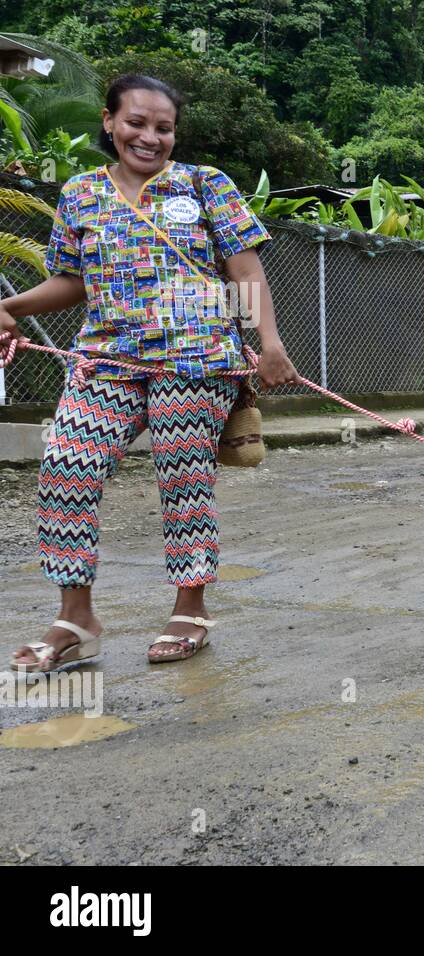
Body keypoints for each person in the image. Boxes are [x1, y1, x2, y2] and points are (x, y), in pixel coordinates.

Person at [5, 74, 298, 674]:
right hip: (106, 358)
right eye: (136, 123)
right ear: (109, 122)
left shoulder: (205, 184)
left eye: (163, 127)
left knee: (182, 479)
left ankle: (189, 609)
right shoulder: (81, 193)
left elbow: (243, 271)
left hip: (197, 358)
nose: (150, 137)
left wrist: (268, 343)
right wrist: (10, 308)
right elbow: (72, 282)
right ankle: (75, 618)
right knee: (65, 469)